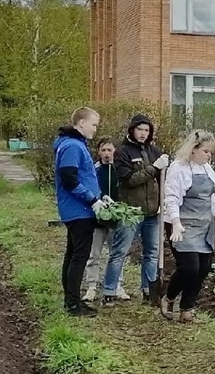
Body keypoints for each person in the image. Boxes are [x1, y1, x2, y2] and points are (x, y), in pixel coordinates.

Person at [160, 130, 215, 323]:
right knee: (189, 267)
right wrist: (175, 222)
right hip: (182, 224)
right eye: (206, 151)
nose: (209, 156)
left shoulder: (207, 170)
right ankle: (169, 297)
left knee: (203, 268)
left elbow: (210, 197)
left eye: (211, 152)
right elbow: (172, 198)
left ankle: (187, 310)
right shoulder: (178, 168)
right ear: (193, 150)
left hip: (203, 225)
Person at [103, 114, 168, 304]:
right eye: (140, 129)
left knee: (151, 253)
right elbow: (130, 180)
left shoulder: (154, 151)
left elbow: (161, 181)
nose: (143, 133)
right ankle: (110, 290)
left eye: (147, 130)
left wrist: (161, 202)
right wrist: (154, 168)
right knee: (120, 251)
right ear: (132, 130)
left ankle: (149, 291)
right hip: (131, 212)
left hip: (152, 213)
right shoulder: (122, 153)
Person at [54, 107, 106, 317]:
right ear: (82, 123)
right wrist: (92, 199)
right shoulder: (73, 146)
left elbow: (83, 178)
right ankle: (73, 304)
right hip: (79, 210)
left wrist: (100, 196)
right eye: (93, 124)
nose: (95, 129)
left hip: (78, 209)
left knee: (72, 254)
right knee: (79, 257)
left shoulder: (73, 144)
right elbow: (70, 180)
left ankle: (70, 299)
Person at [81, 138, 129, 304]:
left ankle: (118, 285)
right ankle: (92, 286)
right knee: (94, 254)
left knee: (116, 254)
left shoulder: (120, 170)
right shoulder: (94, 170)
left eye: (110, 150)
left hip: (115, 219)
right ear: (99, 152)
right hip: (97, 220)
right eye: (104, 150)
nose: (107, 154)